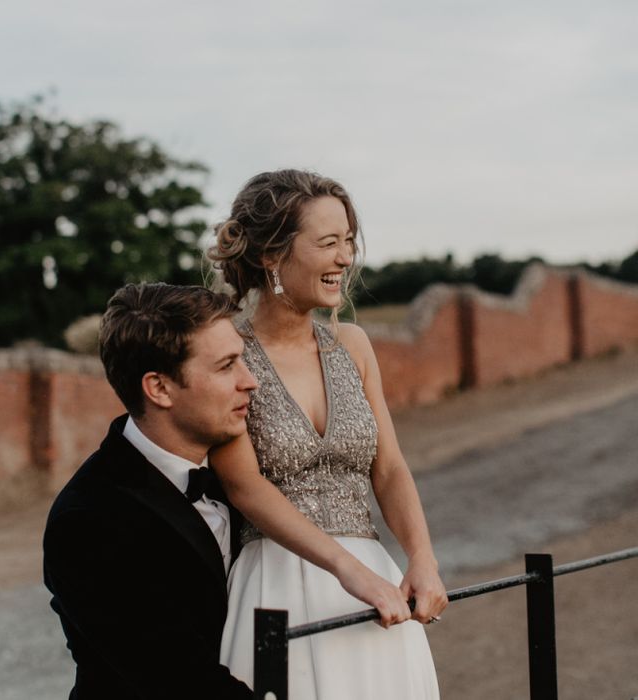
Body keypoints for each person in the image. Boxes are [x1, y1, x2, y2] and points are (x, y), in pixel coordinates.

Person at [207, 169, 447, 698]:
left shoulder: (354, 345)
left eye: (348, 242)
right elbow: (245, 486)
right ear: (272, 256)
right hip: (275, 584)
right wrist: (346, 570)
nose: (345, 258)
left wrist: (421, 559)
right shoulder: (228, 352)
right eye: (328, 243)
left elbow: (389, 468)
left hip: (372, 587)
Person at [43, 283, 256, 699]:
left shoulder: (242, 478)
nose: (250, 381)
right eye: (226, 366)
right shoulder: (88, 520)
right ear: (159, 388)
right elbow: (178, 680)